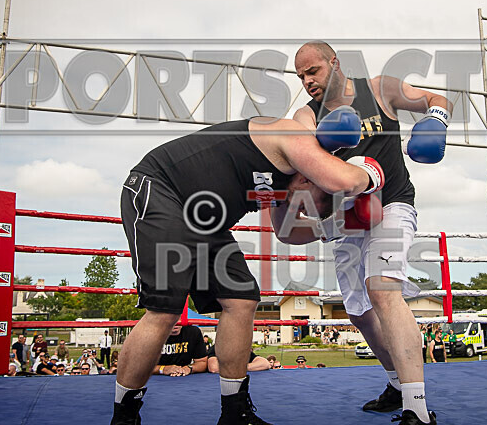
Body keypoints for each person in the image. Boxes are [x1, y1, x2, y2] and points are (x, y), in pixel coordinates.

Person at [112, 116, 380, 425]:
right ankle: (124, 418)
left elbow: (286, 232)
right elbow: (344, 181)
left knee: (241, 298)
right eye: (305, 202)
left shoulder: (286, 187)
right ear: (310, 177)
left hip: (205, 221)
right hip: (161, 190)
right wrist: (372, 175)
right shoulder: (293, 138)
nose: (298, 208)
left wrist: (336, 226)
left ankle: (235, 412)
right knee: (165, 309)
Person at [291, 41, 449, 424]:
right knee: (359, 311)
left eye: (313, 71)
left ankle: (417, 408)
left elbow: (436, 98)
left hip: (392, 201)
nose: (308, 82)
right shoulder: (305, 116)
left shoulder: (379, 89)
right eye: (301, 77)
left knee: (383, 289)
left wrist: (436, 123)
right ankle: (397, 383)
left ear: (334, 62)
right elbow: (300, 164)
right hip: (346, 214)